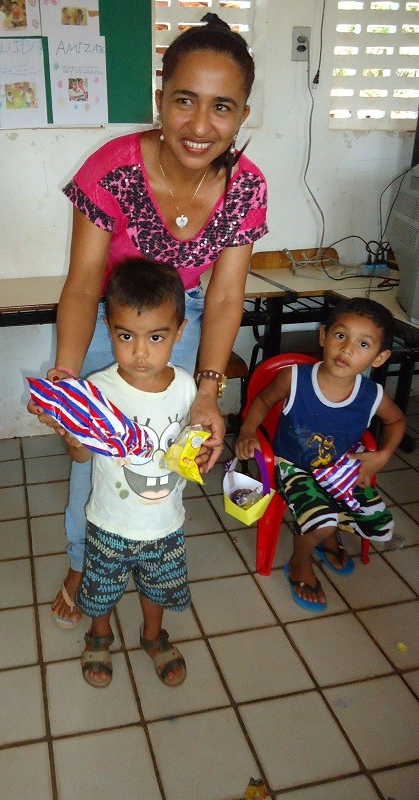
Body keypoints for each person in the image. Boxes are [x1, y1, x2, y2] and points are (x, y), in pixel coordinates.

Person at [29, 14, 268, 627]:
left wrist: (209, 394)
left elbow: (222, 298)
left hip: (181, 332)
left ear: (242, 115)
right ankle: (85, 562)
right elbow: (83, 285)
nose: (199, 125)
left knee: (165, 457)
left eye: (222, 107)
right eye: (184, 101)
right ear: (161, 98)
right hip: (112, 326)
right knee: (94, 460)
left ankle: (144, 556)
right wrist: (66, 374)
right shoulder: (112, 167)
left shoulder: (246, 188)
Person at [56, 258, 208, 687]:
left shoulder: (186, 387)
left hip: (166, 522)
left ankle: (152, 635)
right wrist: (74, 440)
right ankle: (99, 634)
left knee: (157, 587)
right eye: (126, 336)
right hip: (109, 521)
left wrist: (196, 453)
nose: (140, 352)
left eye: (156, 337)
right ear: (109, 329)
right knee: (100, 588)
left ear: (179, 334)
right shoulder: (98, 391)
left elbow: (190, 442)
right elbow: (83, 459)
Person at [235, 298, 406, 611]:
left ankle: (327, 532)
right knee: (322, 522)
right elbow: (261, 401)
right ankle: (301, 559)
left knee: (376, 519)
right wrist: (247, 431)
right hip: (293, 466)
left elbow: (396, 421)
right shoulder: (295, 378)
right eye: (341, 336)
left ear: (379, 357)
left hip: (341, 463)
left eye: (363, 344)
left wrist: (382, 454)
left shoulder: (372, 395)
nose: (347, 349)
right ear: (323, 335)